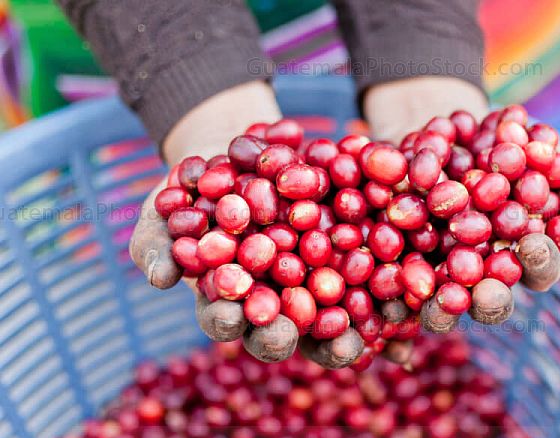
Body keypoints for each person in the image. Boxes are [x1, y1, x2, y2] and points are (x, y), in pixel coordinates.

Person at [55, 0, 521, 364]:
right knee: (121, 307)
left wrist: (422, 47)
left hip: (465, 29)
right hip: (147, 36)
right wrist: (197, 91)